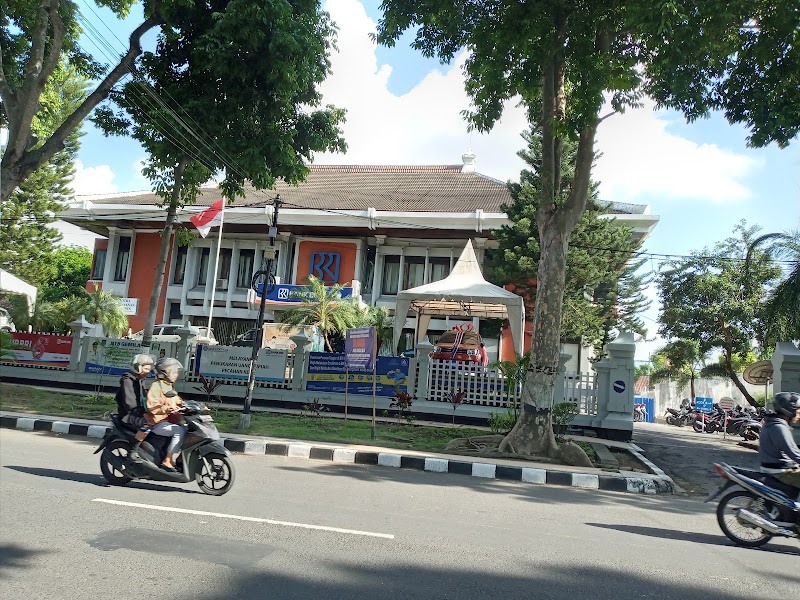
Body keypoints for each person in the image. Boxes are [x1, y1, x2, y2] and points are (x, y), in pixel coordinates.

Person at [146, 357, 186, 472]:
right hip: (157, 423)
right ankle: (167, 460)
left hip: (169, 421)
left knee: (189, 430)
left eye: (176, 372)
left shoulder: (168, 386)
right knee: (179, 431)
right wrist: (167, 409)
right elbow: (152, 406)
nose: (176, 375)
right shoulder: (156, 386)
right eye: (173, 372)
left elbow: (177, 400)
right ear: (164, 372)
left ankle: (180, 460)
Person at [114, 354, 155, 461]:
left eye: (149, 369)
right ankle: (133, 451)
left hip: (138, 412)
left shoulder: (140, 380)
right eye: (146, 368)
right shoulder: (127, 380)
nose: (148, 371)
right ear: (137, 367)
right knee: (147, 424)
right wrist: (142, 413)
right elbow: (129, 403)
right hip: (128, 415)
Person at [759, 392, 800, 495]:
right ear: (789, 410)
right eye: (798, 411)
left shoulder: (771, 423)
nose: (799, 414)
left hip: (773, 467)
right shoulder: (779, 427)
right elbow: (794, 453)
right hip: (779, 471)